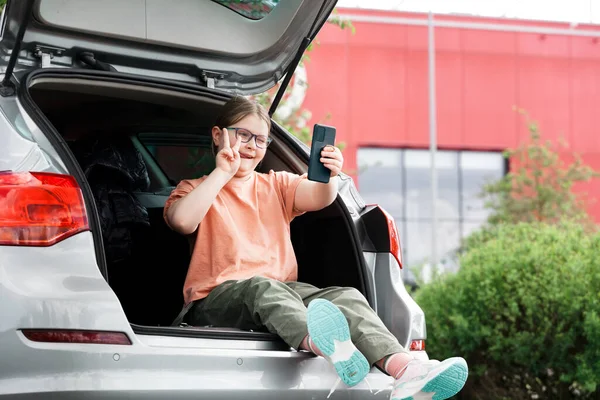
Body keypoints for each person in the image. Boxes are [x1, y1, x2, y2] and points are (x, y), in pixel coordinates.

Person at [163, 96, 468, 399]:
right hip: (215, 300)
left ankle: (406, 371)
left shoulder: (276, 185)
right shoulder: (194, 188)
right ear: (219, 136)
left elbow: (320, 196)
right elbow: (182, 222)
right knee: (261, 288)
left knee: (346, 296)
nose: (251, 146)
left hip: (282, 292)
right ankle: (328, 346)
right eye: (243, 135)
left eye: (260, 139)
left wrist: (330, 175)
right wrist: (223, 173)